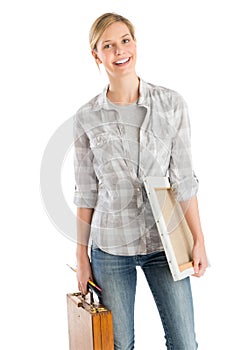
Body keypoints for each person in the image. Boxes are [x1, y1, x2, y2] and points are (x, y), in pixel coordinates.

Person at [73, 12, 208, 350]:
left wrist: (199, 240)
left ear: (135, 44)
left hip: (165, 244)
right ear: (96, 55)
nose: (120, 51)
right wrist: (81, 257)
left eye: (125, 40)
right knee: (118, 345)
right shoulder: (86, 117)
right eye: (109, 45)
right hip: (110, 248)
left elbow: (184, 180)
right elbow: (86, 191)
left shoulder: (171, 104)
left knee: (185, 343)